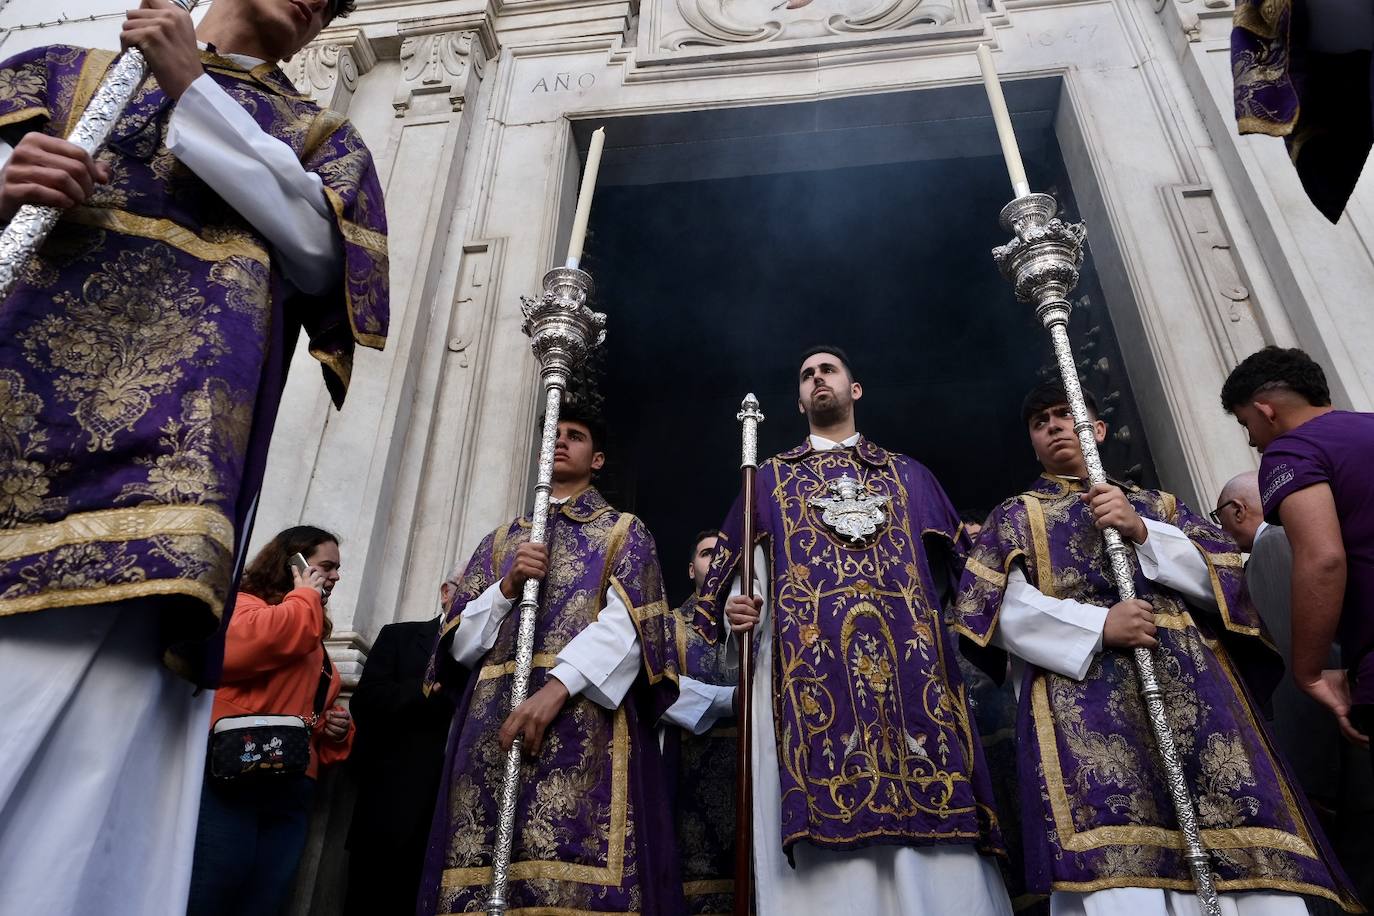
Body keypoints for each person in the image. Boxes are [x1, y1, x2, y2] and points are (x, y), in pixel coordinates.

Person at [0, 0, 388, 909]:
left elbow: (312, 248)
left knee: (84, 793)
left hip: (159, 485)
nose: (320, 0)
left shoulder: (321, 137)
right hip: (13, 432)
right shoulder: (59, 70)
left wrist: (190, 85)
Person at [951, 380, 1360, 916]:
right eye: (1040, 422)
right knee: (1118, 853)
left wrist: (1143, 531)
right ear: (1032, 442)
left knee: (1241, 838)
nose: (1053, 426)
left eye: (1064, 414)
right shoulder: (1015, 516)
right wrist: (1099, 626)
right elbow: (996, 610)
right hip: (1085, 702)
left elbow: (1240, 584)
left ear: (1096, 429)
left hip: (1195, 688)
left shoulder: (1160, 505)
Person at [682, 346, 1012, 916]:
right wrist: (742, 609)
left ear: (854, 389)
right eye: (807, 375)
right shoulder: (769, 481)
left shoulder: (909, 475)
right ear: (799, 398)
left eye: (828, 370)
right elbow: (744, 585)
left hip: (914, 684)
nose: (817, 380)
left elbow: (974, 583)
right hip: (810, 679)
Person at [417, 411, 684, 915]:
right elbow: (457, 648)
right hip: (491, 729)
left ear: (597, 459)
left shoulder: (623, 532)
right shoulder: (499, 543)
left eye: (575, 437)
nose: (561, 443)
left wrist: (555, 687)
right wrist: (507, 586)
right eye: (553, 435)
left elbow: (629, 631)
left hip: (586, 729)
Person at [1215, 472, 1374, 913]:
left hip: (1337, 749)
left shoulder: (1270, 549)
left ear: (1238, 511)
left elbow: (1299, 668)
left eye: (1219, 518)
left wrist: (1312, 779)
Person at [188, 526, 356, 916]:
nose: (335, 577)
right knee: (211, 888)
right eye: (326, 567)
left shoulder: (308, 629)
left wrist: (335, 729)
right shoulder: (245, 607)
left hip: (291, 785)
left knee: (264, 898)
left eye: (337, 569)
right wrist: (305, 596)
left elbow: (304, 710)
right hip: (234, 776)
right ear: (292, 565)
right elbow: (246, 648)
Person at [1220, 346, 1374, 755]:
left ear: (1266, 411)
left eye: (1245, 423)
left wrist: (1308, 673)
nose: (1252, 439)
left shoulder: (1291, 451)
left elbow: (1322, 559)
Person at [342, 577, 460, 916]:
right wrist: (425, 690)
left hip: (453, 817)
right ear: (446, 592)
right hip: (390, 814)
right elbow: (367, 703)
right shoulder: (400, 637)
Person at [669, 529, 737, 916]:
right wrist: (733, 700)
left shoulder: (763, 624)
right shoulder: (668, 626)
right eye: (706, 553)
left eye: (724, 555)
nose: (715, 562)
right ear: (691, 568)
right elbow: (660, 693)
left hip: (751, 776)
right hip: (689, 780)